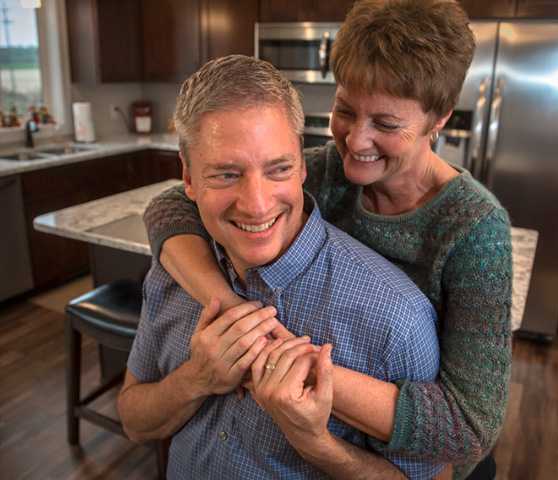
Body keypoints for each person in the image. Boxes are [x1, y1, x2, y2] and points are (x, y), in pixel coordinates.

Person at [142, 1, 513, 478]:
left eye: (386, 124)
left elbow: (465, 427)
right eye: (345, 110)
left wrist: (286, 363)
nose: (355, 141)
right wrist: (235, 313)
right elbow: (172, 207)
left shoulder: (475, 231)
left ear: (437, 119)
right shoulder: (322, 170)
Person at [118, 54, 445, 479]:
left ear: (303, 167)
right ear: (189, 178)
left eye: (278, 169)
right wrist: (195, 379)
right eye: (225, 174)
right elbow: (133, 420)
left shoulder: (396, 318)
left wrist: (314, 443)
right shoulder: (174, 268)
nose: (256, 205)